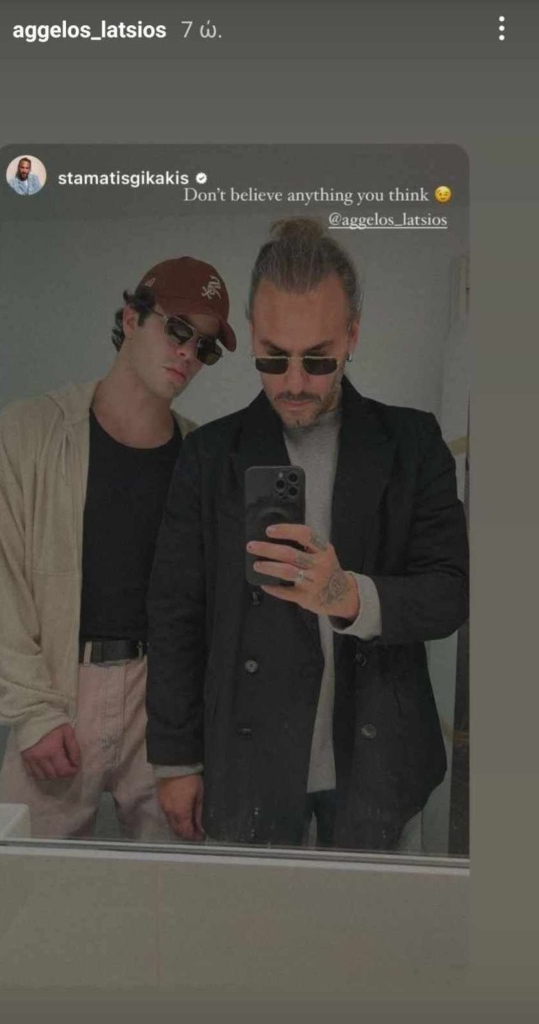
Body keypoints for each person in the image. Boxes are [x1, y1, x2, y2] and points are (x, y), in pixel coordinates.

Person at [146, 219, 469, 852]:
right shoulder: (209, 456)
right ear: (253, 337)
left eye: (318, 359)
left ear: (352, 336)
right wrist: (176, 761)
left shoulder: (412, 443)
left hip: (378, 758)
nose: (294, 382)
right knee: (255, 919)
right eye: (273, 357)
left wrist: (347, 595)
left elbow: (449, 592)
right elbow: (175, 613)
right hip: (249, 761)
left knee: (376, 918)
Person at [0, 256, 237, 840]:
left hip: (163, 700)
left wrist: (191, 732)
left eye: (205, 347)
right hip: (59, 687)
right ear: (131, 318)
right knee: (23, 880)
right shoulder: (30, 431)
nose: (188, 353)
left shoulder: (202, 457)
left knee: (174, 882)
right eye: (177, 329)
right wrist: (31, 711)